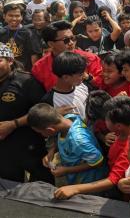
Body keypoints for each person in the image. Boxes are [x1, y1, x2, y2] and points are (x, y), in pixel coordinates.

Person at [53, 96, 130, 200]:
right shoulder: (127, 128)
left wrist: (75, 189)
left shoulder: (128, 150)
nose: (104, 121)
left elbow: (111, 181)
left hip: (120, 193)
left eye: (106, 119)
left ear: (118, 126)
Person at [0, 43, 53, 183]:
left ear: (10, 61)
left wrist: (13, 124)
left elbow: (44, 109)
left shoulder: (26, 81)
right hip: (3, 149)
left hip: (29, 143)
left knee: (41, 185)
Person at [27, 103, 107, 185]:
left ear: (50, 130)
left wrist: (66, 170)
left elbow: (98, 161)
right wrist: (51, 152)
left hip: (89, 182)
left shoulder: (78, 141)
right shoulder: (67, 118)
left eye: (40, 133)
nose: (41, 135)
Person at [32, 21, 103, 91]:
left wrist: (88, 78)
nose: (71, 43)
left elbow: (102, 84)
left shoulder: (91, 59)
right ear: (51, 44)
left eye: (72, 38)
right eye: (66, 40)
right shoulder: (39, 68)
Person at [42, 52, 89, 120]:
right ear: (66, 77)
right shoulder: (50, 101)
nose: (84, 76)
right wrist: (53, 115)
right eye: (80, 75)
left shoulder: (82, 87)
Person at [0, 0, 39, 71]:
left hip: (23, 73)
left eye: (17, 16)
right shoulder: (1, 32)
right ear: (4, 16)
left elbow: (34, 56)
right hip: (4, 73)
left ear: (22, 17)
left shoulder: (29, 33)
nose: (14, 18)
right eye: (10, 15)